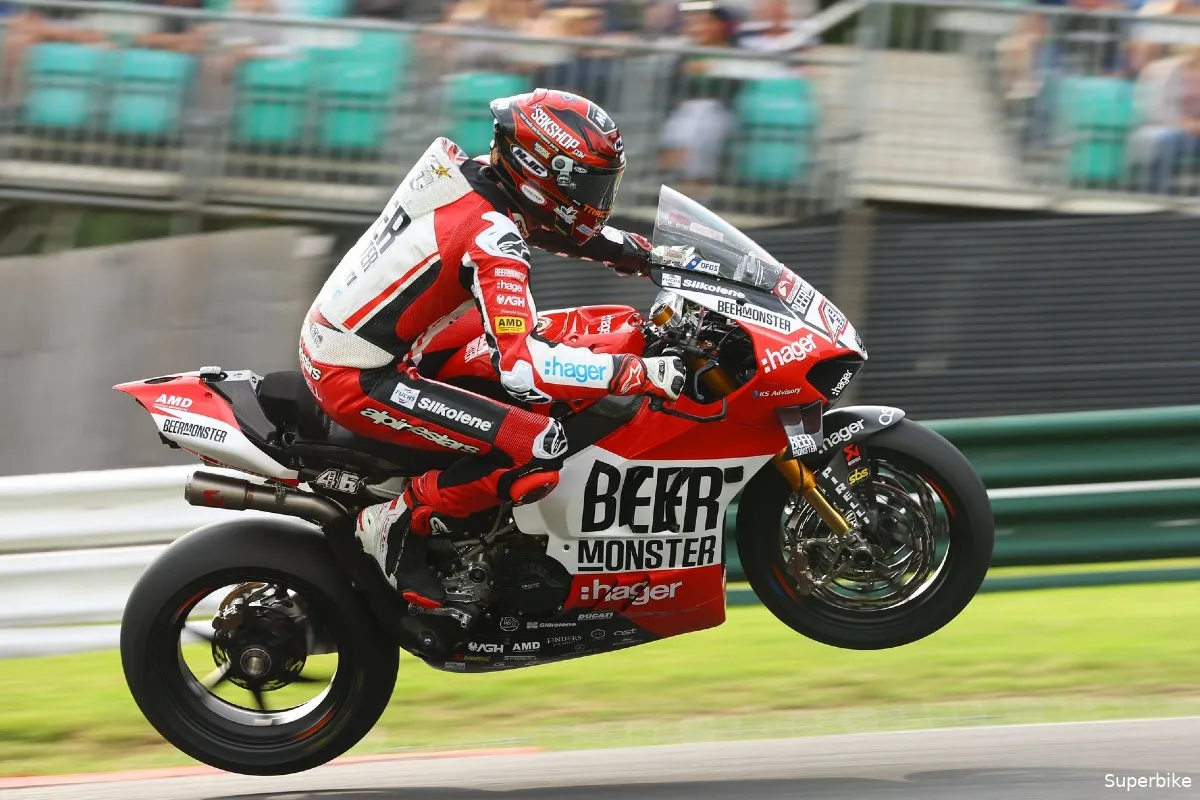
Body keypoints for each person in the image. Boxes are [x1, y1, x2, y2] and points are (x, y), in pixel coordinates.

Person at [298, 89, 686, 605]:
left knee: (571, 336)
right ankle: (394, 523)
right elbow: (522, 368)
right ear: (540, 169)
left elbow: (558, 229)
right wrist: (636, 373)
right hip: (358, 374)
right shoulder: (490, 236)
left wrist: (656, 258)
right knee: (538, 444)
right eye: (589, 184)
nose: (599, 198)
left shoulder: (482, 181)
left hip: (380, 336)